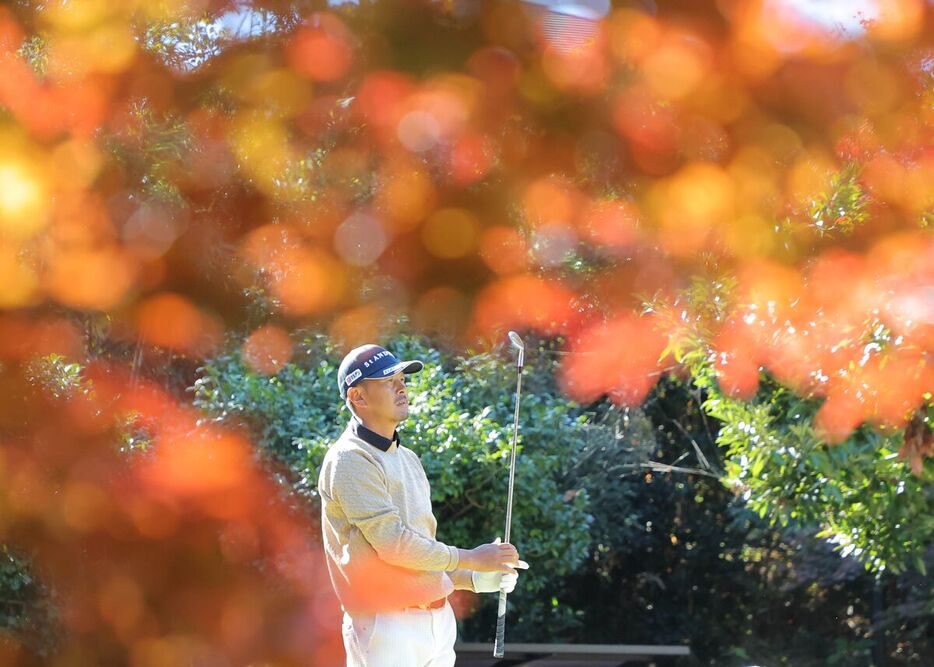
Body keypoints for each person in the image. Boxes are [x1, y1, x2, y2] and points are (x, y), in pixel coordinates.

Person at [318, 343, 528, 667]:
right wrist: (471, 558)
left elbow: (420, 551)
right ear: (357, 397)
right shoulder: (350, 459)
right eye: (388, 380)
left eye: (402, 378)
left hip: (438, 621)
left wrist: (473, 577)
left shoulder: (408, 458)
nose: (401, 386)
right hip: (386, 627)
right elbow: (395, 545)